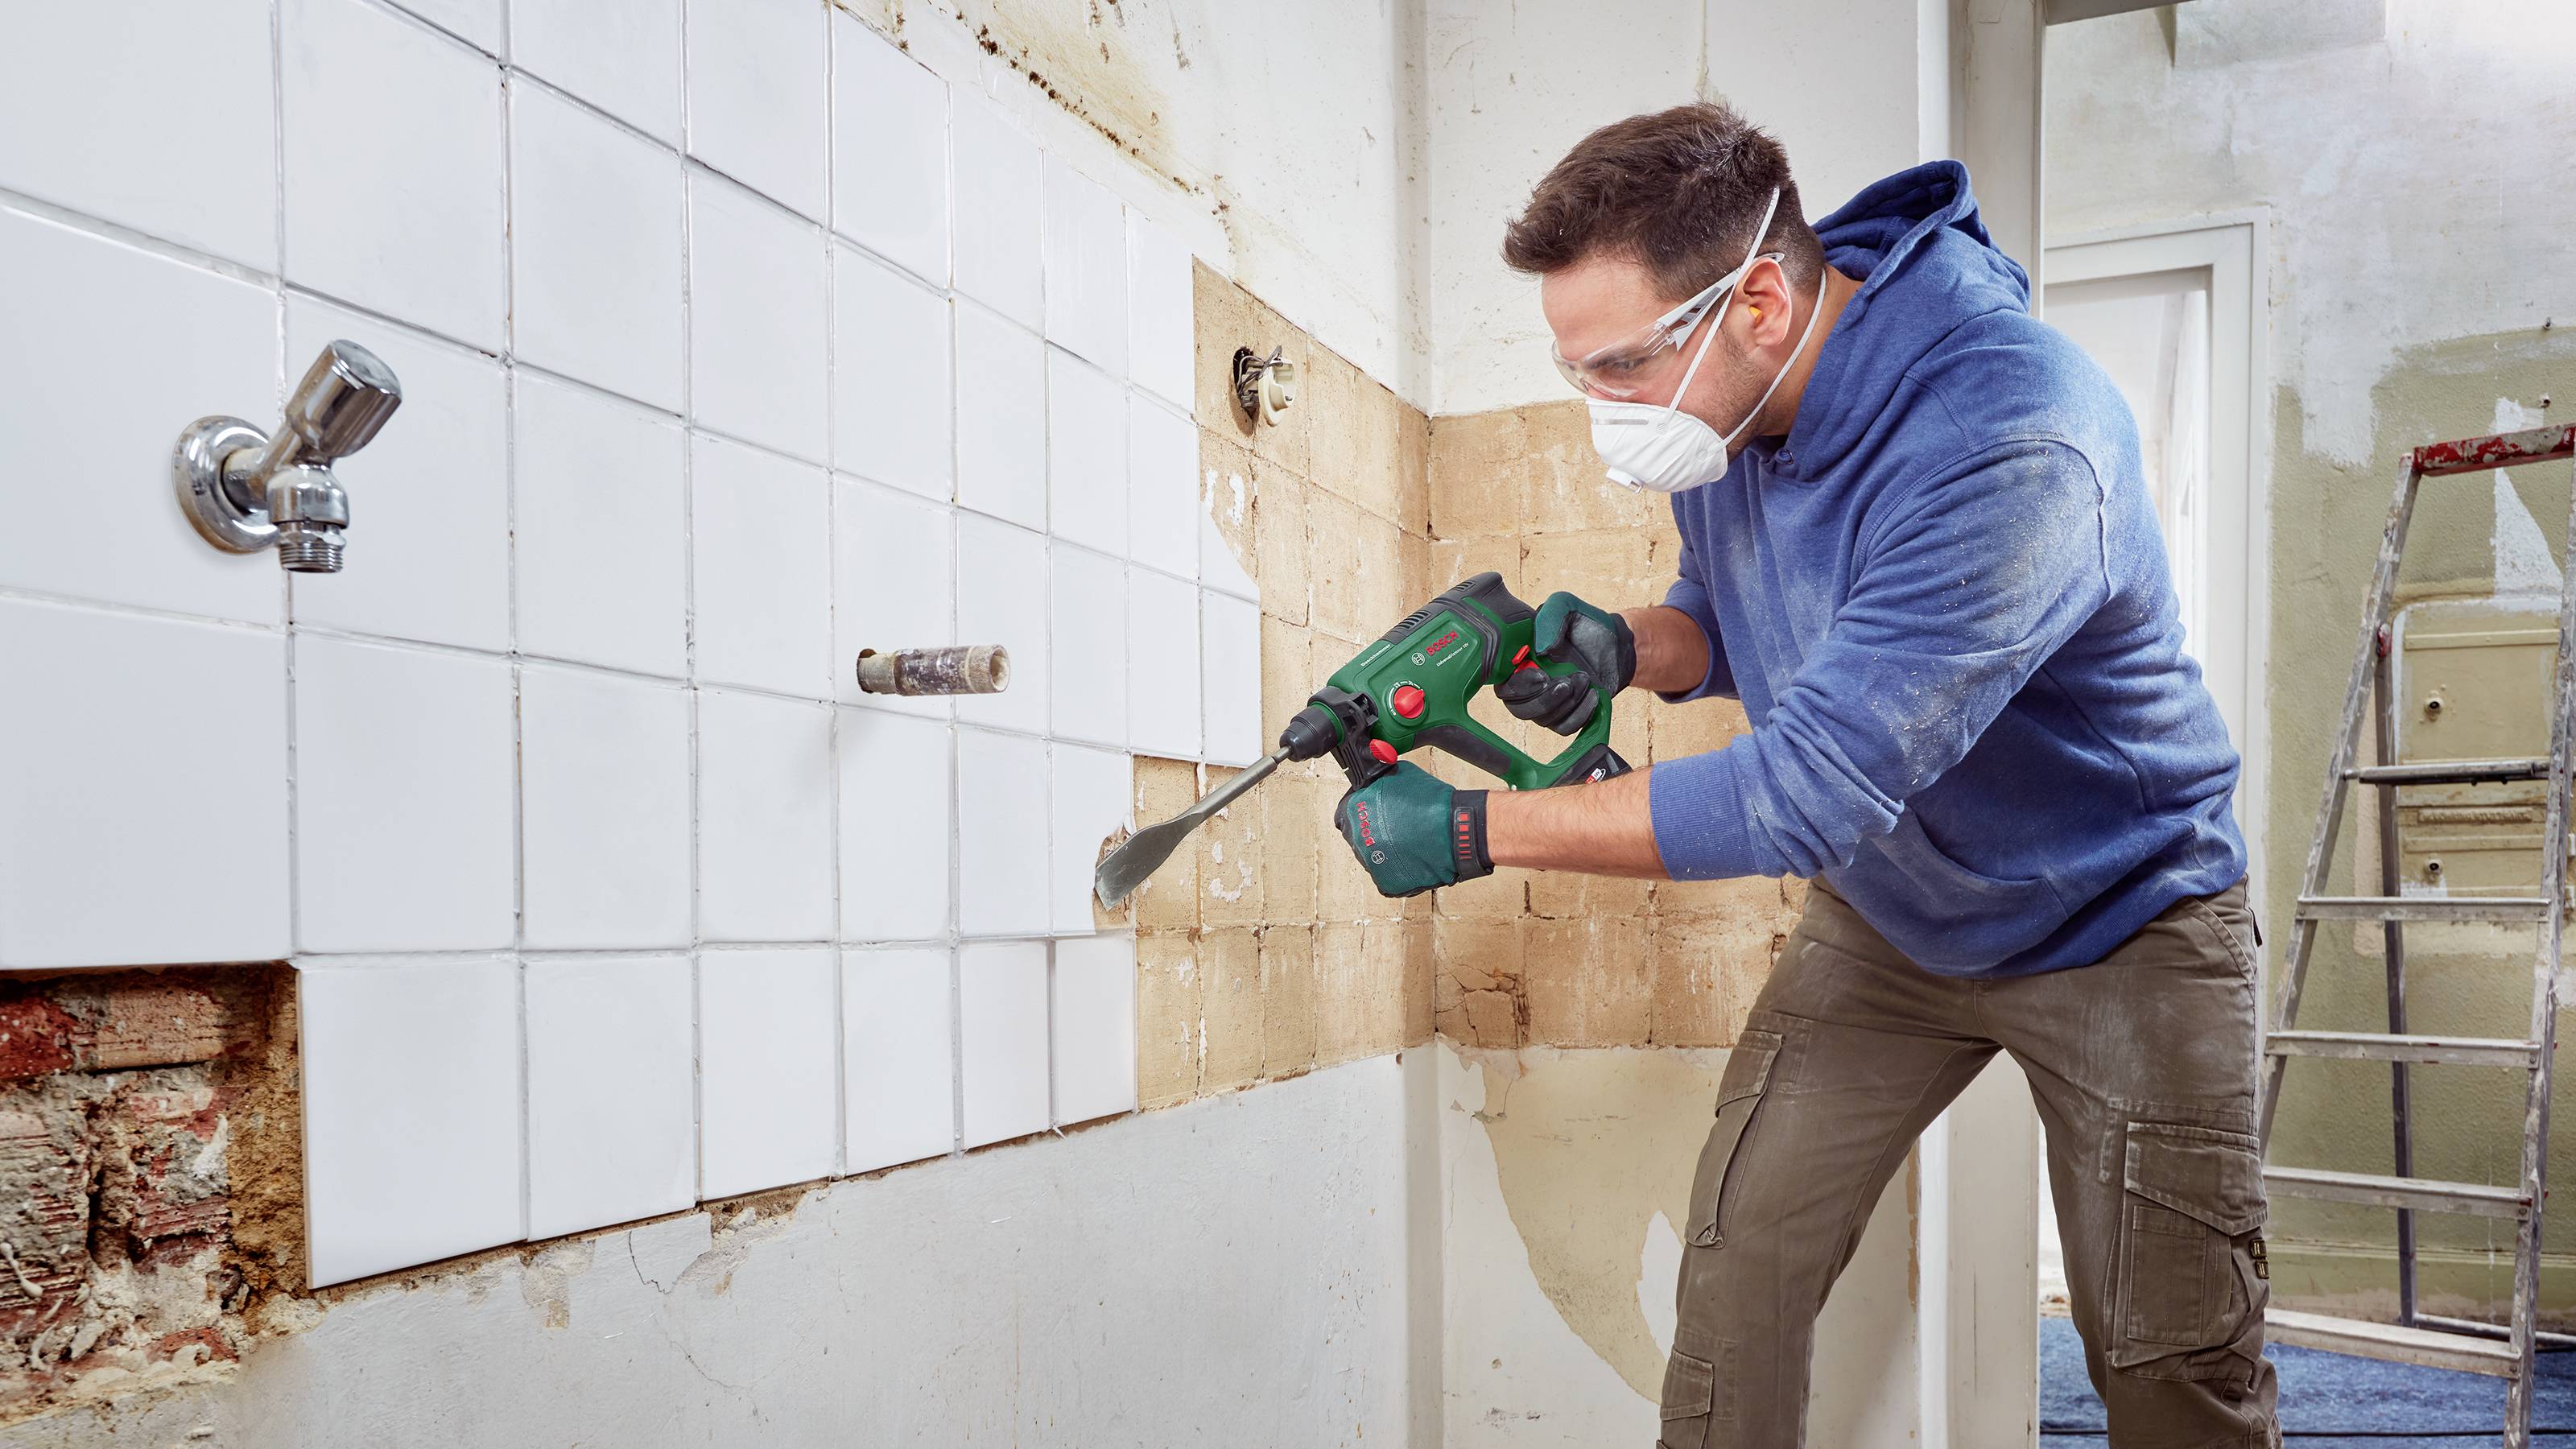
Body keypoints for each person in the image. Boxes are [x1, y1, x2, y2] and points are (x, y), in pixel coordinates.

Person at [1331, 103, 2279, 1449]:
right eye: (1578, 374)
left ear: (1759, 299)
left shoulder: (2011, 436)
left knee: (2166, 1357)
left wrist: (1483, 828)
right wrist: (1629, 651)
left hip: (2124, 917)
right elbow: (1726, 616)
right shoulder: (1726, 414)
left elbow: (1804, 790)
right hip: (1894, 915)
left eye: (1618, 367)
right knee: (1740, 1271)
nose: (1603, 411)